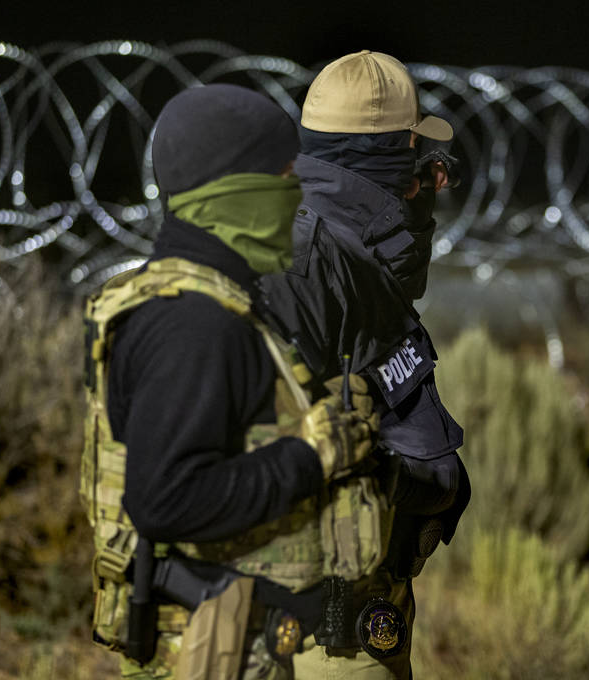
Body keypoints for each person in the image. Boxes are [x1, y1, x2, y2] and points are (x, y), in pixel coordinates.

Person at [79, 83, 386, 679]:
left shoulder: (209, 301)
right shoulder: (196, 324)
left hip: (234, 645)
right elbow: (165, 499)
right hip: (213, 653)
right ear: (237, 192)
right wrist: (312, 456)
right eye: (285, 177)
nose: (297, 196)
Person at [258, 50, 472, 680]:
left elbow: (378, 341)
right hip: (321, 628)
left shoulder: (350, 234)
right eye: (412, 149)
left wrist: (414, 206)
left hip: (369, 596)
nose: (424, 170)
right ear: (382, 154)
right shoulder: (303, 258)